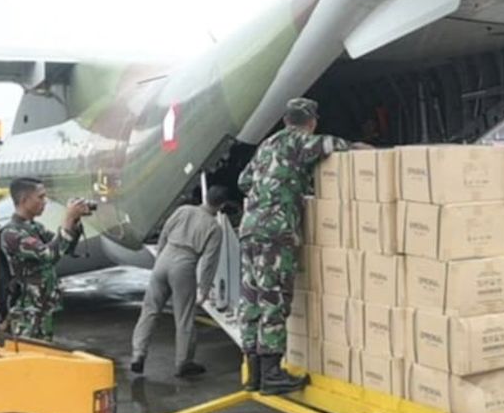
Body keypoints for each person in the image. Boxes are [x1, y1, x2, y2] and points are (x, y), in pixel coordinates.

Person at [237, 97, 362, 395]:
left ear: (285, 119)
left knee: (252, 300)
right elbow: (334, 146)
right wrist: (361, 147)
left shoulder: (266, 146)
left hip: (250, 229)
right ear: (311, 122)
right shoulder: (300, 142)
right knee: (274, 300)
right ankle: (272, 375)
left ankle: (254, 373)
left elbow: (244, 181)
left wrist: (276, 187)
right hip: (275, 233)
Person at [130, 185, 228, 377]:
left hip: (164, 258)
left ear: (205, 197)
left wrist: (159, 259)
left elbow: (164, 233)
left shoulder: (183, 210)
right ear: (221, 205)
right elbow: (209, 261)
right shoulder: (214, 228)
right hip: (184, 266)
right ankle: (184, 362)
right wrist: (204, 289)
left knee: (149, 310)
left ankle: (138, 355)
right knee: (184, 317)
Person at [0, 178, 93, 340]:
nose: (45, 202)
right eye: (40, 197)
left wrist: (75, 222)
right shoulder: (12, 233)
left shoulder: (34, 228)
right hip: (27, 312)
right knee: (29, 357)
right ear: (24, 200)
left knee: (44, 352)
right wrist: (68, 218)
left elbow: (64, 248)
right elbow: (49, 254)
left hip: (42, 308)